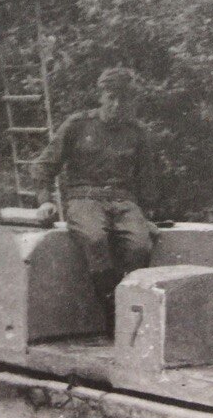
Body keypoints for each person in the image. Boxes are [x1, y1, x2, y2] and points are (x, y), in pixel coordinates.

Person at [32, 65, 157, 333]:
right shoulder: (78, 125)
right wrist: (45, 200)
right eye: (112, 97)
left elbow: (147, 179)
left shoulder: (137, 133)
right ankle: (112, 311)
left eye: (124, 99)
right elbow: (44, 165)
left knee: (140, 247)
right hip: (84, 198)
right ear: (101, 96)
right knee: (95, 238)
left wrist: (146, 216)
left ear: (131, 102)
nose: (117, 105)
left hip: (124, 202)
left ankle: (130, 308)